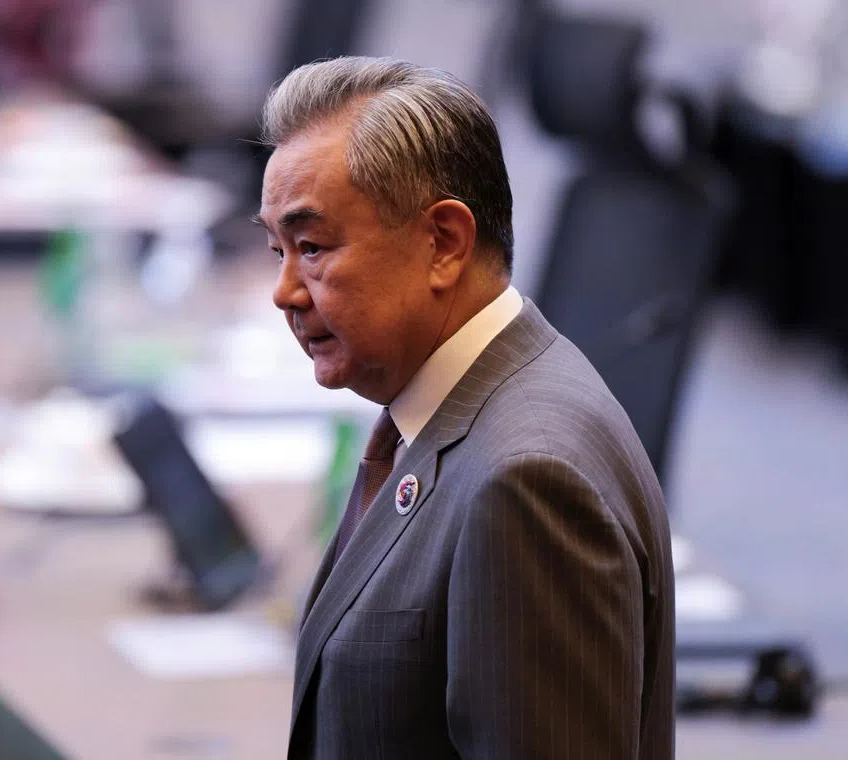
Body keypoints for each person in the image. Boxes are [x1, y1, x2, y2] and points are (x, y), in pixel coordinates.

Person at [255, 56, 674, 760]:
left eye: (313, 248)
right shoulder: (443, 411)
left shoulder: (527, 480)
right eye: (277, 251)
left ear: (443, 243)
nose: (284, 291)